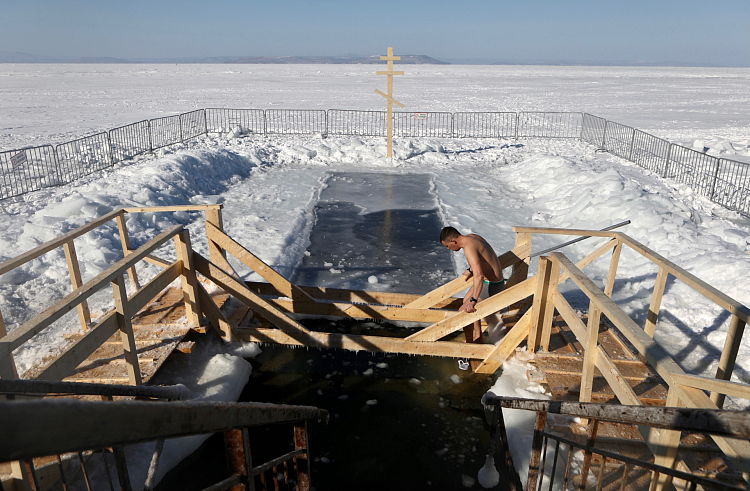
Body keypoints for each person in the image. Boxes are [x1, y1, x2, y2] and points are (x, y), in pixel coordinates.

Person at [440, 227, 505, 367]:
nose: (448, 249)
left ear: (453, 240)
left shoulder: (468, 247)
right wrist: (470, 270)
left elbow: (479, 275)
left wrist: (474, 300)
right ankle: (477, 337)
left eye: (447, 246)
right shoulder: (472, 237)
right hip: (492, 280)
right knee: (465, 301)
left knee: (464, 311)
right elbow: (484, 258)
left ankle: (471, 345)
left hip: (492, 285)